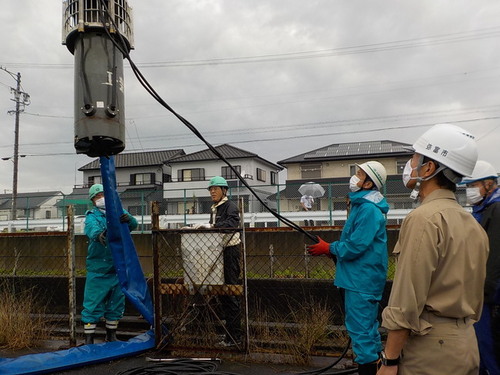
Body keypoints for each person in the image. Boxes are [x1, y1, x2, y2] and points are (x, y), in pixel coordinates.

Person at [378, 124, 489, 375]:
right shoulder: (472, 223)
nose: (410, 163)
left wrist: (390, 360)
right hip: (467, 343)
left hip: (430, 350)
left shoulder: (423, 218)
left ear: (428, 168)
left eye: (415, 157)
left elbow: (407, 301)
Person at [307, 161, 389, 375]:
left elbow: (356, 245)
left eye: (360, 174)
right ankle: (377, 368)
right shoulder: (363, 206)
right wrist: (331, 250)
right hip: (360, 277)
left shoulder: (368, 210)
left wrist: (330, 248)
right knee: (368, 330)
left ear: (369, 184)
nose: (354, 177)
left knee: (361, 331)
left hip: (360, 280)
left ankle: (369, 370)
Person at [82, 183, 138, 345]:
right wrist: (99, 235)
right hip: (98, 267)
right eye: (97, 196)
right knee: (92, 302)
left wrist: (129, 220)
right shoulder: (92, 215)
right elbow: (92, 230)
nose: (101, 199)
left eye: (102, 195)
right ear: (92, 200)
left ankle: (112, 335)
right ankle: (89, 339)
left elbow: (133, 225)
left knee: (116, 302)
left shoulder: (119, 211)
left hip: (118, 266)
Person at [461, 160, 500, 375]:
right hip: (482, 292)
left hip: (490, 295)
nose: (469, 191)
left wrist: (484, 290)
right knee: (481, 345)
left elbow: (494, 256)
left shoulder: (496, 209)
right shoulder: (483, 209)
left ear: (488, 184)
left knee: (489, 345)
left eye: (473, 186)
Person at [194, 176, 242, 347]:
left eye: (215, 188)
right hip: (218, 250)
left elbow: (231, 223)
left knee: (230, 292)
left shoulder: (230, 206)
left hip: (230, 251)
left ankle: (235, 336)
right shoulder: (215, 207)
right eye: (210, 189)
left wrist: (211, 226)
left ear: (224, 190)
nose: (212, 191)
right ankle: (229, 335)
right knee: (222, 292)